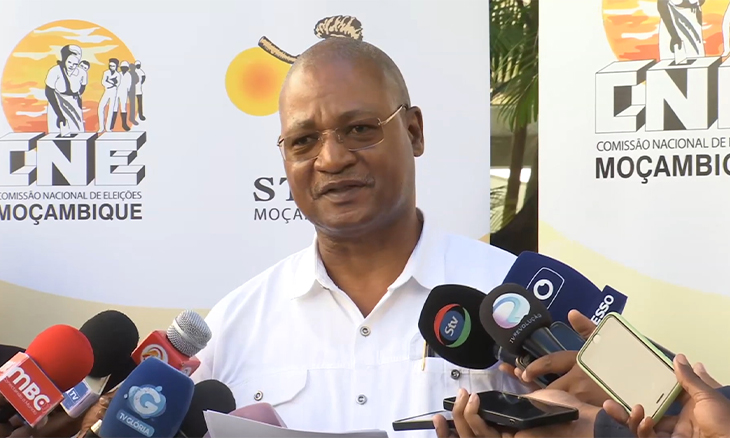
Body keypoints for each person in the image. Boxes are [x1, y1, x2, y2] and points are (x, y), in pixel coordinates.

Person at [191, 37, 525, 435]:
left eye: (360, 129)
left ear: (414, 132)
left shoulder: (514, 298)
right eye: (304, 141)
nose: (332, 159)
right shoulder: (233, 327)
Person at [44, 44, 85, 136]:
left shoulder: (81, 73)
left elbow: (82, 87)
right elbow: (49, 92)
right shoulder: (55, 71)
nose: (72, 66)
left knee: (77, 132)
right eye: (69, 62)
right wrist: (59, 114)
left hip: (74, 106)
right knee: (57, 133)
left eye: (75, 64)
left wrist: (78, 97)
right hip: (56, 103)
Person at [98, 58, 120, 133]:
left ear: (116, 66)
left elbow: (117, 84)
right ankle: (101, 127)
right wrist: (112, 82)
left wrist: (109, 81)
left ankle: (108, 128)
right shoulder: (106, 73)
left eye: (113, 66)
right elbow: (103, 82)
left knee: (111, 110)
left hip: (113, 93)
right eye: (110, 66)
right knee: (100, 107)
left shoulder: (118, 74)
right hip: (107, 91)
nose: (111, 67)